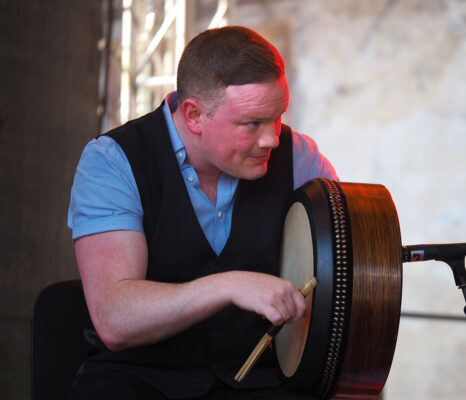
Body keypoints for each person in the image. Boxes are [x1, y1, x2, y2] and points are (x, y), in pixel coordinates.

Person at [67, 26, 338, 400]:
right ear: (194, 115)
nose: (272, 139)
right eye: (252, 124)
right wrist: (229, 285)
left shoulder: (300, 158)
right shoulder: (113, 161)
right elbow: (115, 319)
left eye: (278, 117)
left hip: (257, 382)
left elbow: (349, 265)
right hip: (137, 379)